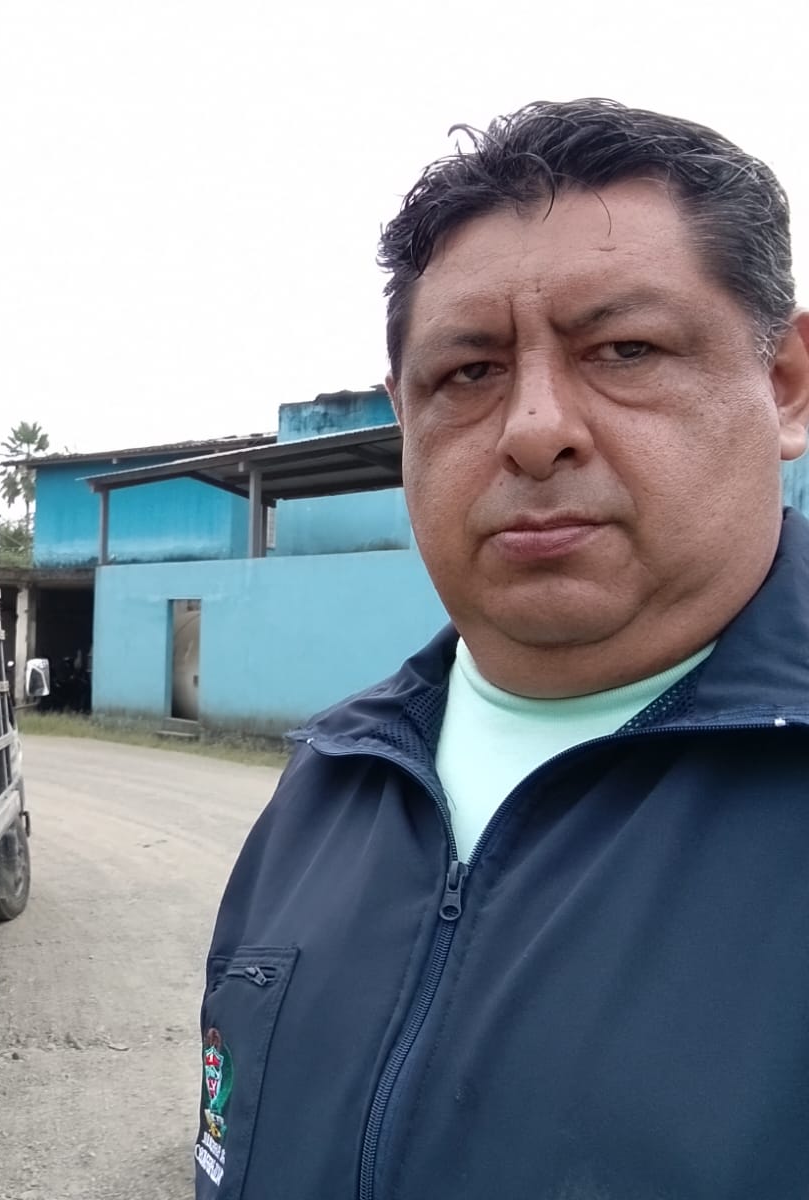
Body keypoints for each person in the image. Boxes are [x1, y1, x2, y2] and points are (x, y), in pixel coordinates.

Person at [198, 98, 809, 1200]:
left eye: (625, 349)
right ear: (404, 418)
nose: (533, 429)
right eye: (469, 373)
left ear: (785, 385)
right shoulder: (328, 785)